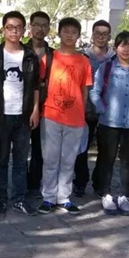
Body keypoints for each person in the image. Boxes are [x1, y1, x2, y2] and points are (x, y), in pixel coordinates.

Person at [0, 11, 40, 217]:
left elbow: (35, 86)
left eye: (18, 27)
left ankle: (19, 199)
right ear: (3, 30)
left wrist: (35, 110)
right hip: (2, 114)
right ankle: (0, 199)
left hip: (24, 115)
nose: (14, 31)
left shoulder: (30, 56)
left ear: (24, 30)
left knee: (20, 160)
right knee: (1, 159)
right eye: (10, 27)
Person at [90, 31, 129, 216]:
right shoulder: (106, 67)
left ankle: (124, 196)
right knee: (107, 159)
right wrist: (102, 109)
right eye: (122, 45)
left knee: (127, 161)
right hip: (109, 121)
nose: (126, 49)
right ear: (116, 47)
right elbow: (95, 91)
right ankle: (106, 194)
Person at [38, 17, 92, 216]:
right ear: (59, 33)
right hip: (51, 115)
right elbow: (39, 85)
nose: (69, 35)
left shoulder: (83, 61)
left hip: (75, 118)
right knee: (50, 159)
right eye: (66, 31)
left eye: (73, 32)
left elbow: (84, 90)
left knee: (69, 160)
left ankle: (64, 197)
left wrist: (82, 113)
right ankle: (48, 197)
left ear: (78, 35)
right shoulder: (49, 58)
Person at [73, 19, 115, 197]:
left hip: (108, 112)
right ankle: (80, 182)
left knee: (105, 151)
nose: (101, 37)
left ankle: (100, 184)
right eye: (98, 33)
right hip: (84, 110)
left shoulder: (115, 58)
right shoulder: (82, 57)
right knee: (81, 149)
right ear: (92, 35)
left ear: (109, 37)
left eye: (105, 34)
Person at [25, 11, 53, 199]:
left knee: (39, 148)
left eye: (44, 25)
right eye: (36, 24)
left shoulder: (54, 54)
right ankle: (20, 185)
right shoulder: (21, 51)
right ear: (30, 27)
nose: (40, 29)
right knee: (20, 149)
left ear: (49, 29)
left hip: (46, 108)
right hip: (22, 106)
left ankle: (34, 185)